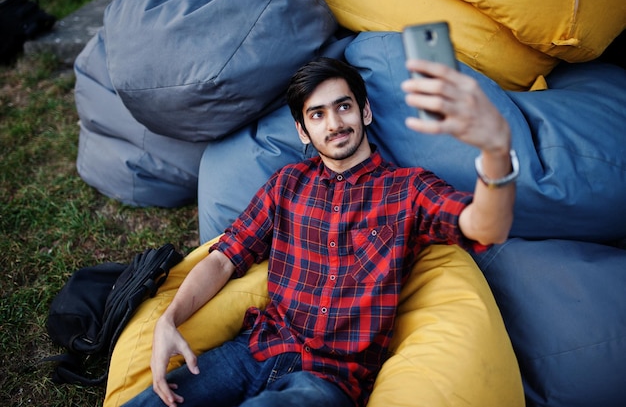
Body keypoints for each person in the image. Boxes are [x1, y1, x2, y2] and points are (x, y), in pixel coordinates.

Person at [122, 57, 517, 407]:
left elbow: (483, 225)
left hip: (330, 380)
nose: (334, 124)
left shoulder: (407, 189)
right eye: (317, 114)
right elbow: (226, 258)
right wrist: (168, 321)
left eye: (343, 107)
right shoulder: (287, 184)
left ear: (364, 112)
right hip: (252, 352)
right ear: (302, 131)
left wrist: (497, 154)